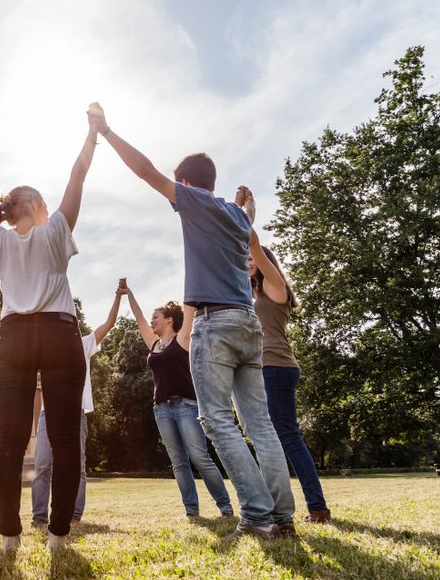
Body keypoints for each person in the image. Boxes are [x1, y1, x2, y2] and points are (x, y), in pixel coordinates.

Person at [90, 103, 295, 539]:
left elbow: (146, 171)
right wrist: (247, 204)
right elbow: (249, 223)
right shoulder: (238, 217)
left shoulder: (195, 202)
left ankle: (257, 515)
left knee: (217, 421)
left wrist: (107, 132)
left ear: (185, 184)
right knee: (260, 424)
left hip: (215, 323)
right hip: (248, 324)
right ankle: (282, 516)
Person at [0, 107, 98, 551]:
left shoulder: (0, 238)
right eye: (44, 203)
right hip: (58, 333)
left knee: (9, 440)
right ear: (34, 206)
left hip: (13, 339)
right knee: (66, 441)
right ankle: (58, 536)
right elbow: (78, 175)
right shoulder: (54, 231)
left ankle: (10, 536)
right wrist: (91, 133)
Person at [119, 280, 234, 519]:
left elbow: (188, 309)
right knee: (178, 462)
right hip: (161, 409)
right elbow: (138, 317)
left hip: (187, 406)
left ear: (169, 319)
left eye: (156, 317)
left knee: (200, 457)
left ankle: (225, 507)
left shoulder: (182, 339)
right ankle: (191, 510)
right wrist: (128, 294)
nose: (152, 321)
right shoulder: (154, 344)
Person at [248, 226, 331, 524]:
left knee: (288, 436)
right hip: (263, 369)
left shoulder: (275, 287)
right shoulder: (253, 292)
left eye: (252, 259)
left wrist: (246, 215)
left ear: (266, 261)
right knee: (271, 437)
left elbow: (254, 244)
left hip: (277, 367)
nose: (247, 261)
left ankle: (318, 507)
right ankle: (274, 503)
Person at [31, 287, 122, 526]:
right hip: (46, 413)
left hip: (75, 412)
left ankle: (74, 515)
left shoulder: (84, 344)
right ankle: (39, 517)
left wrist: (118, 296)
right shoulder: (44, 350)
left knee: (77, 466)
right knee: (42, 465)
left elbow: (110, 323)